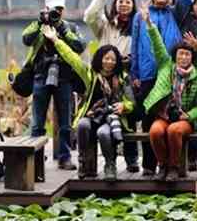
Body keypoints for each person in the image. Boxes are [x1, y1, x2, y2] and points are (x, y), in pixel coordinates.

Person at [41, 27, 134, 181]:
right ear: (100, 59)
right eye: (106, 58)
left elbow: (131, 102)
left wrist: (124, 106)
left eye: (112, 59)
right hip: (92, 115)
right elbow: (73, 58)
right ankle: (84, 161)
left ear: (117, 61)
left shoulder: (123, 78)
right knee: (83, 125)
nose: (109, 62)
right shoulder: (90, 75)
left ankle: (110, 165)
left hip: (111, 119)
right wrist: (56, 40)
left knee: (103, 133)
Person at [130, 0, 193, 176]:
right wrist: (134, 73)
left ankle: (171, 164)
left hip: (171, 73)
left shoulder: (175, 12)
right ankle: (149, 165)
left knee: (171, 117)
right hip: (147, 75)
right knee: (149, 122)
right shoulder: (141, 16)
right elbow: (134, 45)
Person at [139, 3, 197, 181]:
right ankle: (163, 165)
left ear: (192, 57)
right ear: (175, 55)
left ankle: (174, 168)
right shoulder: (165, 66)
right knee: (155, 131)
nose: (184, 57)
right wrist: (148, 22)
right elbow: (157, 43)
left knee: (175, 131)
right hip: (164, 114)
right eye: (181, 54)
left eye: (187, 54)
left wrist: (190, 115)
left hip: (184, 118)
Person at [22, 0, 86, 170]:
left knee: (65, 121)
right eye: (53, 10)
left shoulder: (70, 27)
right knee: (37, 122)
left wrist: (62, 30)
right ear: (46, 9)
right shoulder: (39, 25)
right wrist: (39, 22)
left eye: (59, 10)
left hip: (64, 78)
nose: (56, 13)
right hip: (40, 76)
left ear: (63, 10)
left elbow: (80, 46)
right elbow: (26, 39)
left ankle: (64, 157)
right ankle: (36, 159)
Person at [84, 0, 139, 172]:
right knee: (105, 116)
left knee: (128, 118)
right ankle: (108, 160)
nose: (124, 4)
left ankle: (132, 159)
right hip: (104, 76)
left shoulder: (136, 27)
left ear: (133, 6)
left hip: (127, 75)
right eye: (120, 1)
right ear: (115, 4)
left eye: (128, 2)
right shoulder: (106, 26)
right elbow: (89, 16)